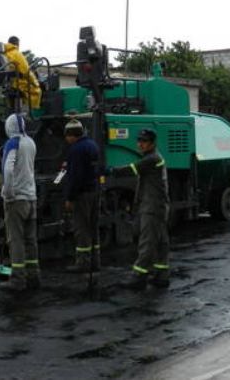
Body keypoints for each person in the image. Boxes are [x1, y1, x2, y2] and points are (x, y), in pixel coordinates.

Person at [109, 128, 171, 290]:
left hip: (152, 207)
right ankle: (161, 274)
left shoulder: (152, 159)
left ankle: (139, 276)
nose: (140, 144)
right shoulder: (154, 157)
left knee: (147, 241)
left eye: (144, 142)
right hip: (158, 206)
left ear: (152, 143)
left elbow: (132, 169)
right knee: (160, 242)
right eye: (139, 141)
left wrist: (111, 170)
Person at [0, 113, 40, 292]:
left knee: (16, 240)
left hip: (17, 200)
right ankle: (34, 276)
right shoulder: (31, 142)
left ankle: (17, 279)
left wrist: (8, 193)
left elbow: (8, 170)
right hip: (32, 198)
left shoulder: (12, 143)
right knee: (31, 240)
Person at [62, 119, 101, 274]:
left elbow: (75, 177)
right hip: (94, 191)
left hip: (82, 195)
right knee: (93, 227)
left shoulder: (75, 150)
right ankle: (95, 261)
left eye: (66, 135)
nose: (66, 139)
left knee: (81, 228)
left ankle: (83, 262)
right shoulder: (92, 145)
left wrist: (69, 198)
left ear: (72, 135)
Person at [4, 36, 42, 110]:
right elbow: (26, 71)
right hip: (18, 84)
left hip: (7, 84)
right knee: (37, 90)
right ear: (17, 44)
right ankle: (31, 111)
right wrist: (35, 82)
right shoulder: (17, 54)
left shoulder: (4, 54)